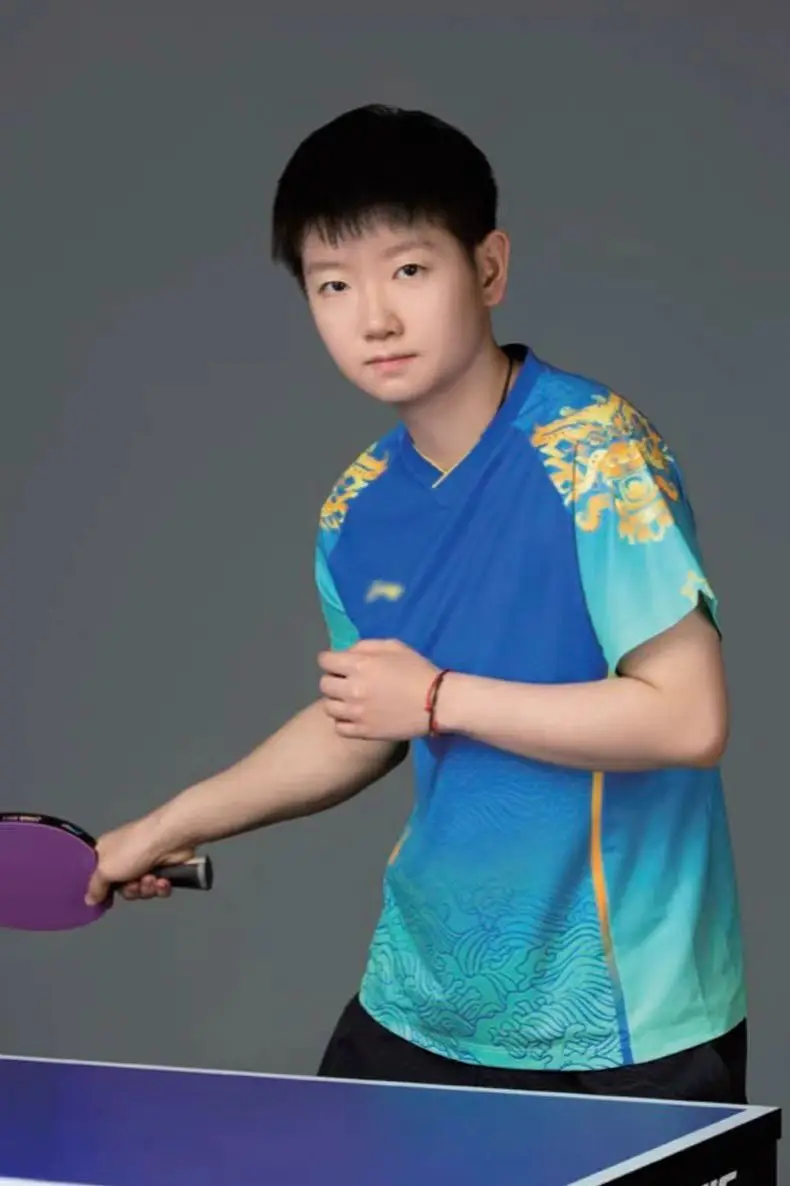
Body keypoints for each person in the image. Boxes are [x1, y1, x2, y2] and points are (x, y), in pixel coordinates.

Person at [86, 104, 747, 1104]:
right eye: (333, 284)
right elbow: (361, 721)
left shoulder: (593, 452)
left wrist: (438, 697)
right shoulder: (355, 509)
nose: (374, 318)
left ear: (488, 268)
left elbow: (687, 717)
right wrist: (162, 825)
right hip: (420, 1002)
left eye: (407, 269)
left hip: (615, 1024)